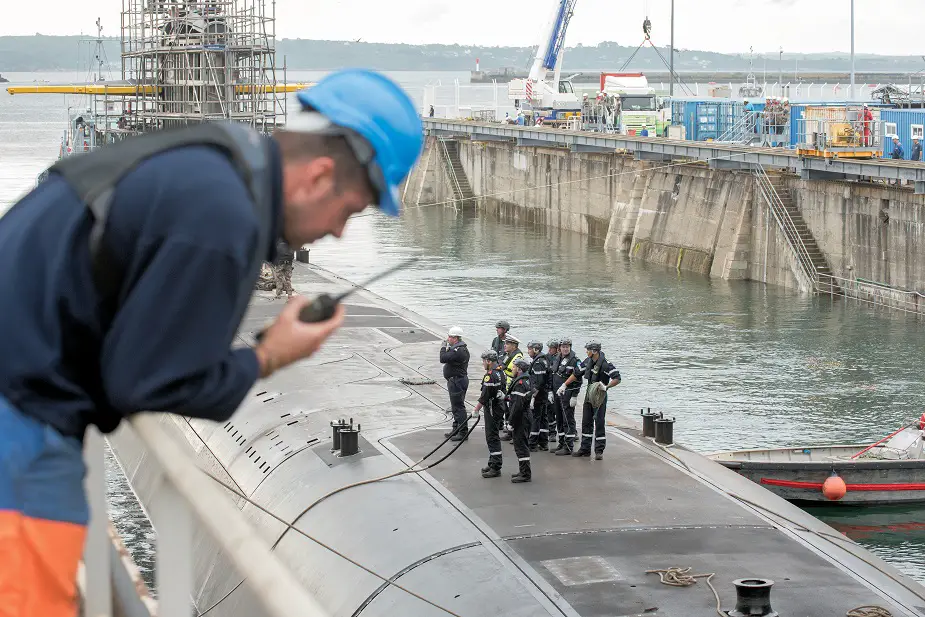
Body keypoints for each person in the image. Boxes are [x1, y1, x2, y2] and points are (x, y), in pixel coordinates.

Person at [0, 68, 423, 617]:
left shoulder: (214, 161)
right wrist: (270, 355)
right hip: (20, 431)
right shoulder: (223, 217)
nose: (339, 232)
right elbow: (146, 380)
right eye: (348, 211)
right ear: (320, 177)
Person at [563, 341, 621, 460]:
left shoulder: (606, 364)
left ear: (594, 351)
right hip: (589, 395)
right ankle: (585, 449)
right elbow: (576, 373)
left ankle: (599, 450)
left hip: (600, 397)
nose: (586, 351)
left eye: (588, 350)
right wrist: (564, 385)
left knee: (599, 422)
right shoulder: (587, 362)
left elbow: (617, 378)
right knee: (586, 422)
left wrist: (607, 386)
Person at [472, 350, 505, 479]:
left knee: (492, 437)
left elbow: (485, 396)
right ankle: (492, 462)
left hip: (492, 408)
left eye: (484, 361)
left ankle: (496, 466)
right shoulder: (500, 372)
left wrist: (476, 409)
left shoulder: (490, 375)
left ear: (489, 361)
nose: (483, 363)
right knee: (493, 435)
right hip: (499, 406)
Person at [440, 326, 470, 441]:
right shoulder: (458, 349)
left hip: (457, 381)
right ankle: (456, 428)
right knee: (455, 407)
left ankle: (463, 432)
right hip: (456, 380)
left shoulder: (459, 350)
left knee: (458, 407)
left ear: (456, 338)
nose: (448, 339)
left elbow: (443, 358)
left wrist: (443, 348)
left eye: (450, 337)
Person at [507, 357, 534, 483]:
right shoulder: (527, 380)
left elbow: (517, 406)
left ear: (518, 369)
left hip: (521, 418)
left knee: (520, 445)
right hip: (525, 415)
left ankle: (525, 474)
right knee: (521, 444)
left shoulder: (520, 384)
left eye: (514, 367)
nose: (512, 369)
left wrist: (511, 422)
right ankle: (523, 471)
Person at [552, 337, 582, 455]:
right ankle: (562, 442)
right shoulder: (557, 358)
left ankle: (568, 446)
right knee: (559, 419)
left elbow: (578, 379)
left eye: (567, 347)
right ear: (559, 348)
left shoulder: (575, 361)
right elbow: (554, 374)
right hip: (557, 392)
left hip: (568, 393)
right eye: (563, 347)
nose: (565, 349)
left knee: (567, 420)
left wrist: (575, 396)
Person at [526, 340, 550, 451]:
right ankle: (543, 442)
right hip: (543, 393)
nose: (528, 351)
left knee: (535, 417)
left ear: (536, 349)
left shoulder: (538, 362)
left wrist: (533, 396)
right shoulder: (543, 360)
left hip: (539, 394)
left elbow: (539, 381)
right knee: (543, 417)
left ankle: (532, 442)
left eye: (530, 349)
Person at [499, 334, 523, 441]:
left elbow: (514, 372)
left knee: (512, 410)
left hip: (513, 387)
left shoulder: (517, 357)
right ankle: (509, 429)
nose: (505, 345)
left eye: (507, 344)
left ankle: (512, 432)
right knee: (507, 409)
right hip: (507, 386)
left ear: (514, 346)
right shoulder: (509, 355)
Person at [544, 339, 561, 447]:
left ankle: (572, 432)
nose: (549, 350)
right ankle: (552, 433)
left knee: (562, 412)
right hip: (550, 387)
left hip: (559, 388)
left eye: (551, 348)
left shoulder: (561, 358)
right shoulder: (547, 357)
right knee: (550, 411)